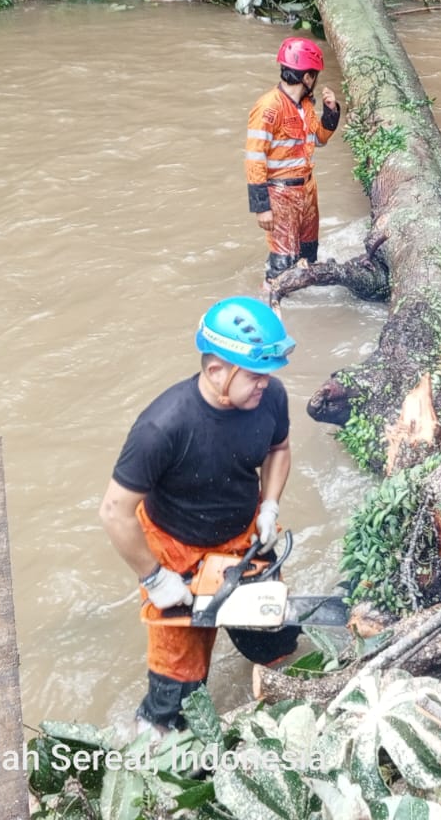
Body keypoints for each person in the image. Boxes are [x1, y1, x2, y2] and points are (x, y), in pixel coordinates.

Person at [99, 296, 300, 734]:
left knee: (277, 643)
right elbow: (115, 512)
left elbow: (279, 449)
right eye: (253, 376)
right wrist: (153, 577)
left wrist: (270, 505)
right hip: (176, 547)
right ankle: (162, 749)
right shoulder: (162, 427)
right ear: (216, 371)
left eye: (267, 376)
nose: (264, 385)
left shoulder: (269, 398)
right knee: (176, 692)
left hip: (244, 538)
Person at [247, 37, 341, 282]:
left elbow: (318, 139)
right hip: (280, 195)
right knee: (282, 264)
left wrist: (331, 113)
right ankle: (274, 305)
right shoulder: (268, 108)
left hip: (307, 190)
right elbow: (254, 158)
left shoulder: (306, 105)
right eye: (315, 76)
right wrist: (262, 207)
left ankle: (306, 311)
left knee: (308, 255)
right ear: (308, 78)